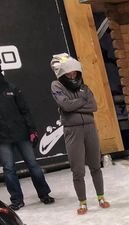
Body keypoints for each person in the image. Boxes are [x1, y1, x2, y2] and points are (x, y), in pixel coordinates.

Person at [50, 53, 110, 215]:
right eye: (68, 73)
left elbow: (93, 107)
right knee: (77, 169)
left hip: (90, 128)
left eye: (74, 73)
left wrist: (73, 105)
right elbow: (65, 106)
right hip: (72, 130)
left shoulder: (84, 87)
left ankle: (101, 197)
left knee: (95, 165)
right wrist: (81, 102)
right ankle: (82, 202)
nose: (72, 75)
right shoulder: (56, 85)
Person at [0, 58, 54, 211]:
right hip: (2, 138)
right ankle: (17, 200)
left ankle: (44, 194)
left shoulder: (12, 88)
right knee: (9, 169)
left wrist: (32, 130)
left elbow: (25, 111)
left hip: (22, 134)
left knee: (33, 165)